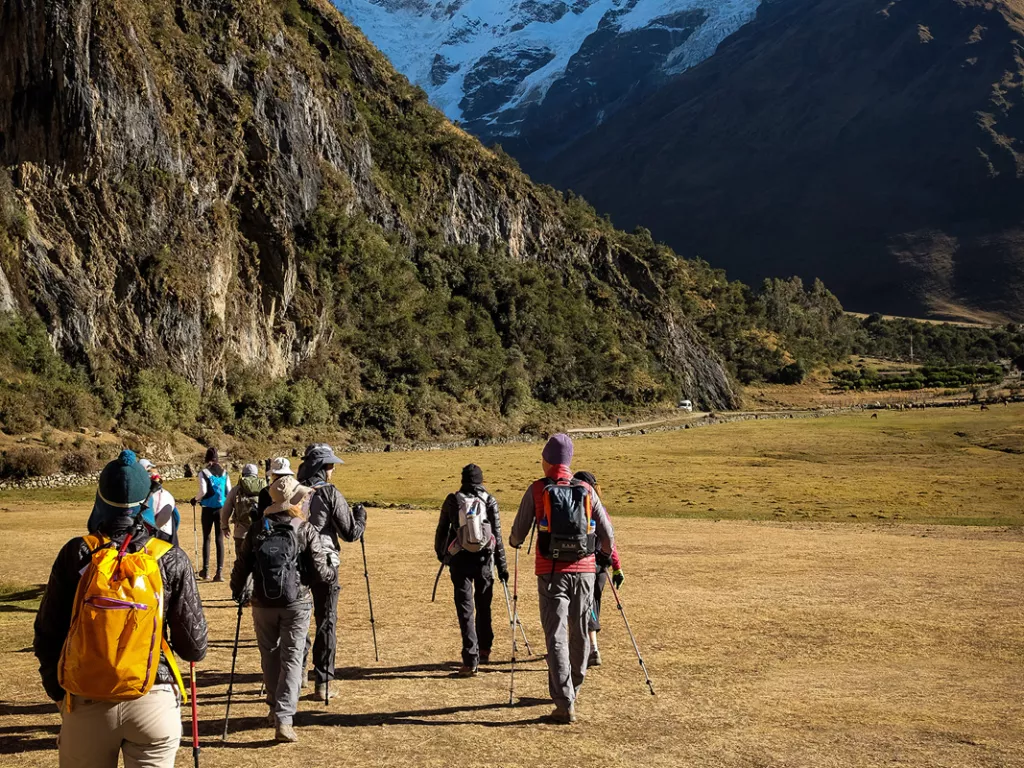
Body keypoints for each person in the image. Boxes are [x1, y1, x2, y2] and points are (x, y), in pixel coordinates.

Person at [34, 450, 208, 768]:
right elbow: (194, 648)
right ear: (146, 500)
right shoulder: (170, 557)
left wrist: (58, 694)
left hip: (86, 699)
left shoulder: (77, 553)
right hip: (154, 700)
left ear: (100, 495)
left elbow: (47, 634)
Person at [509, 434, 613, 724]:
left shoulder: (537, 489)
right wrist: (603, 557)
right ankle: (574, 688)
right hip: (584, 572)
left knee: (555, 635)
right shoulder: (586, 489)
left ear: (546, 460)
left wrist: (514, 541)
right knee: (579, 630)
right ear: (568, 462)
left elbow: (518, 535)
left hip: (551, 572)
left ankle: (564, 700)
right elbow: (608, 535)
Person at [230, 470, 334, 743]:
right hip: (296, 602)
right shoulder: (304, 528)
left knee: (270, 656)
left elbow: (242, 565)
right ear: (295, 501)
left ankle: (274, 708)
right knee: (292, 658)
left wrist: (238, 592)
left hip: (261, 602)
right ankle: (284, 719)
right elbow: (321, 572)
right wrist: (329, 574)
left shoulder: (257, 528)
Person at [296, 444, 366, 701]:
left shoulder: (295, 490)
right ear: (323, 468)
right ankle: (323, 682)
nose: (334, 469)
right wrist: (361, 517)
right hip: (325, 562)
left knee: (299, 618)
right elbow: (350, 533)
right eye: (330, 465)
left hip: (296, 562)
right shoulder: (329, 493)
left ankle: (299, 675)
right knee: (326, 619)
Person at [434, 463, 509, 677]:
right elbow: (498, 536)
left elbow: (442, 530)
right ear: (480, 480)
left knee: (465, 609)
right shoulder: (490, 500)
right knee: (484, 604)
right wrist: (502, 566)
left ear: (463, 479)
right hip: (485, 559)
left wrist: (443, 555)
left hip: (460, 561)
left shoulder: (452, 500)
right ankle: (485, 648)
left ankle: (470, 659)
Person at [572, 471, 624, 667]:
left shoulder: (572, 507)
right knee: (593, 603)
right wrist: (616, 567)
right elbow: (610, 540)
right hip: (601, 565)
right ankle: (587, 646)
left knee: (585, 606)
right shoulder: (599, 508)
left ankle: (592, 648)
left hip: (581, 564)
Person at [189, 447, 231, 581]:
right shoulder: (225, 473)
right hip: (221, 508)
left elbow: (203, 491)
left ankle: (205, 571)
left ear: (207, 458)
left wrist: (195, 500)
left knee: (206, 538)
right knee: (219, 539)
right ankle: (219, 572)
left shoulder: (204, 472)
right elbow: (228, 491)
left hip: (207, 508)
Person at [221, 464, 267, 561]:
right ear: (256, 475)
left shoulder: (236, 490)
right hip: (261, 532)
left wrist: (225, 526)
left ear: (242, 474)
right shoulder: (264, 488)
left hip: (241, 533)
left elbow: (226, 510)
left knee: (242, 563)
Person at [141, 459, 180, 546]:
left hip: (144, 535)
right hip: (165, 533)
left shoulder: (139, 495)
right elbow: (177, 518)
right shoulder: (167, 495)